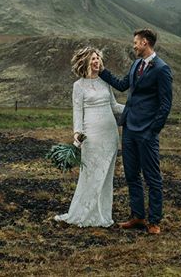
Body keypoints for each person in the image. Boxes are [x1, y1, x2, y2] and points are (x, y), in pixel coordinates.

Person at [99, 28, 172, 235]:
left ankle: (154, 221)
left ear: (146, 43)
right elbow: (123, 85)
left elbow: (165, 105)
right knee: (131, 175)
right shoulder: (136, 65)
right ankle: (137, 216)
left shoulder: (162, 69)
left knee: (152, 177)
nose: (133, 46)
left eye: (136, 42)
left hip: (147, 132)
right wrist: (102, 71)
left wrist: (153, 130)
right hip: (129, 128)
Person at [54, 46, 125, 227]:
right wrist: (77, 133)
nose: (96, 61)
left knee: (106, 176)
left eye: (98, 58)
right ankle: (84, 213)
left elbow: (115, 106)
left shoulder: (105, 82)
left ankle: (102, 214)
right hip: (91, 136)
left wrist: (137, 108)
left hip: (110, 135)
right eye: (93, 59)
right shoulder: (78, 86)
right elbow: (77, 111)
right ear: (85, 61)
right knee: (90, 175)